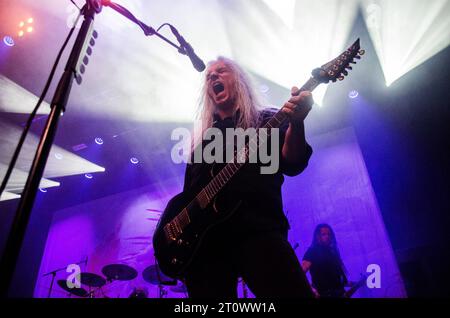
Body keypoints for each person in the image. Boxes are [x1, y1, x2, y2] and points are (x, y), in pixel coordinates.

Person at [182, 56, 314, 298]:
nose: (212, 76)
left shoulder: (268, 120)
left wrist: (297, 123)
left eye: (221, 71)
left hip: (258, 230)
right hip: (207, 248)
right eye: (209, 75)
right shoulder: (201, 141)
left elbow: (293, 162)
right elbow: (187, 197)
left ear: (240, 81)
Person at [302, 224, 349, 298]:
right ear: (317, 236)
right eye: (323, 234)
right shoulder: (312, 251)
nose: (327, 236)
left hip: (339, 292)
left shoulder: (333, 251)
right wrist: (311, 289)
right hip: (323, 294)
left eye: (329, 234)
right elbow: (301, 273)